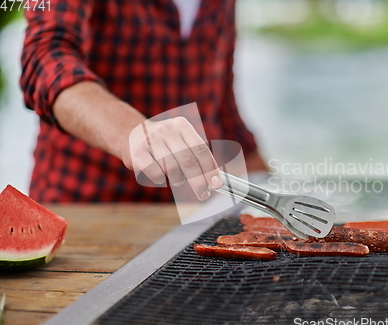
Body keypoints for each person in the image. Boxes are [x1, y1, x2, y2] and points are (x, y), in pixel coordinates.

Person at [20, 0, 267, 203]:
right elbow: (45, 58)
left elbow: (221, 106)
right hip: (85, 206)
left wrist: (273, 191)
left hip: (190, 214)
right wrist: (133, 132)